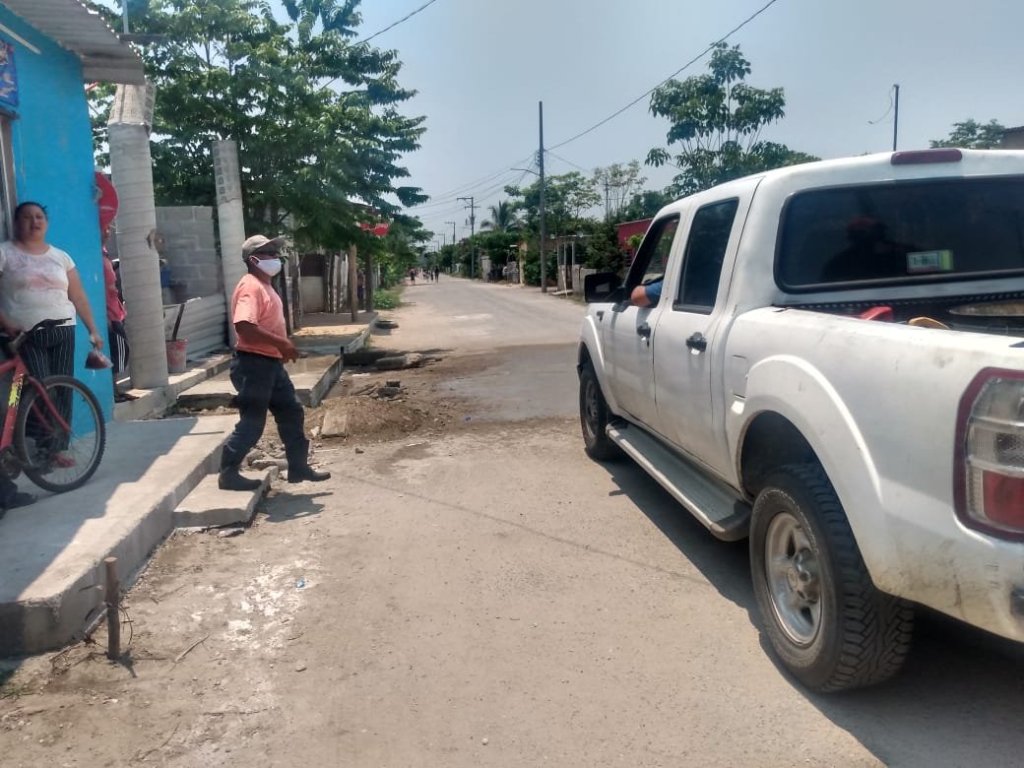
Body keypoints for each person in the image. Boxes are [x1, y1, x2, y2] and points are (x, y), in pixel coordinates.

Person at [0, 201, 105, 513]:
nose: (34, 222)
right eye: (27, 217)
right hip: (25, 334)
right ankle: (32, 449)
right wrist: (6, 322)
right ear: (16, 222)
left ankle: (55, 449)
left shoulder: (60, 256)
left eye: (39, 217)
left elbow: (78, 295)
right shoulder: (6, 252)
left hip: (62, 329)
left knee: (60, 390)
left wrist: (92, 329)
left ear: (46, 222)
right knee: (38, 389)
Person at [217, 234, 331, 491]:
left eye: (275, 252)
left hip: (270, 364)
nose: (275, 257)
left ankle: (298, 467)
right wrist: (282, 343)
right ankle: (228, 473)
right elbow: (244, 326)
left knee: (291, 411)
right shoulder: (251, 286)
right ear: (253, 259)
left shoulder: (265, 286)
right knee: (253, 421)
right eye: (268, 253)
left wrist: (280, 347)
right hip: (253, 365)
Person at [102, 236, 131, 400]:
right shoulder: (96, 256)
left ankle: (116, 390)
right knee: (117, 352)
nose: (107, 233)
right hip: (110, 313)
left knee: (120, 351)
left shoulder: (103, 253)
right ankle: (113, 391)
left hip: (114, 309)